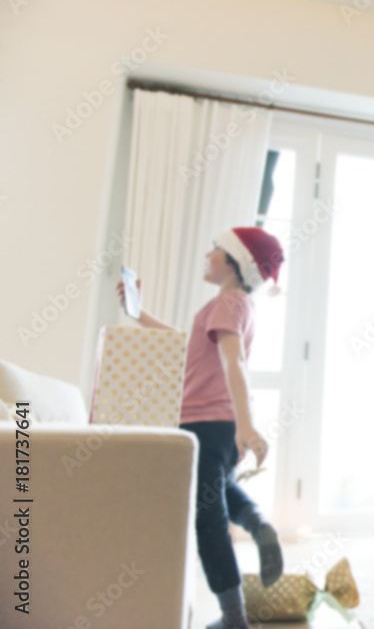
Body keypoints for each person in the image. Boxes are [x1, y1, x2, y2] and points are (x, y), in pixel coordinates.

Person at [116, 226, 285, 629]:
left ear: (234, 264)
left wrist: (247, 425)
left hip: (207, 423)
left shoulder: (227, 304)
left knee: (207, 518)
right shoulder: (231, 305)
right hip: (218, 425)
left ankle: (234, 619)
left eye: (216, 249)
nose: (208, 254)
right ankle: (258, 523)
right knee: (220, 489)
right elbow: (188, 346)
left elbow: (234, 363)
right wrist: (139, 314)